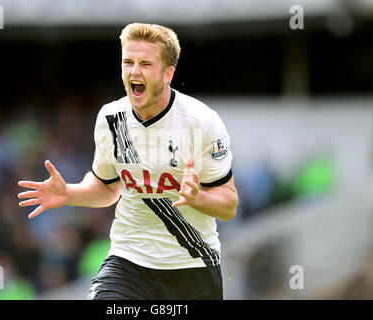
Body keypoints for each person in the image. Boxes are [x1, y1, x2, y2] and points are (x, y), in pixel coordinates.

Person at [18, 23, 238, 300]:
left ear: (168, 73)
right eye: (128, 62)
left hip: (192, 266)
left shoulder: (201, 121)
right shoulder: (111, 118)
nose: (134, 71)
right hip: (129, 260)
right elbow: (107, 187)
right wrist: (69, 194)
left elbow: (229, 205)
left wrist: (198, 198)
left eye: (146, 64)